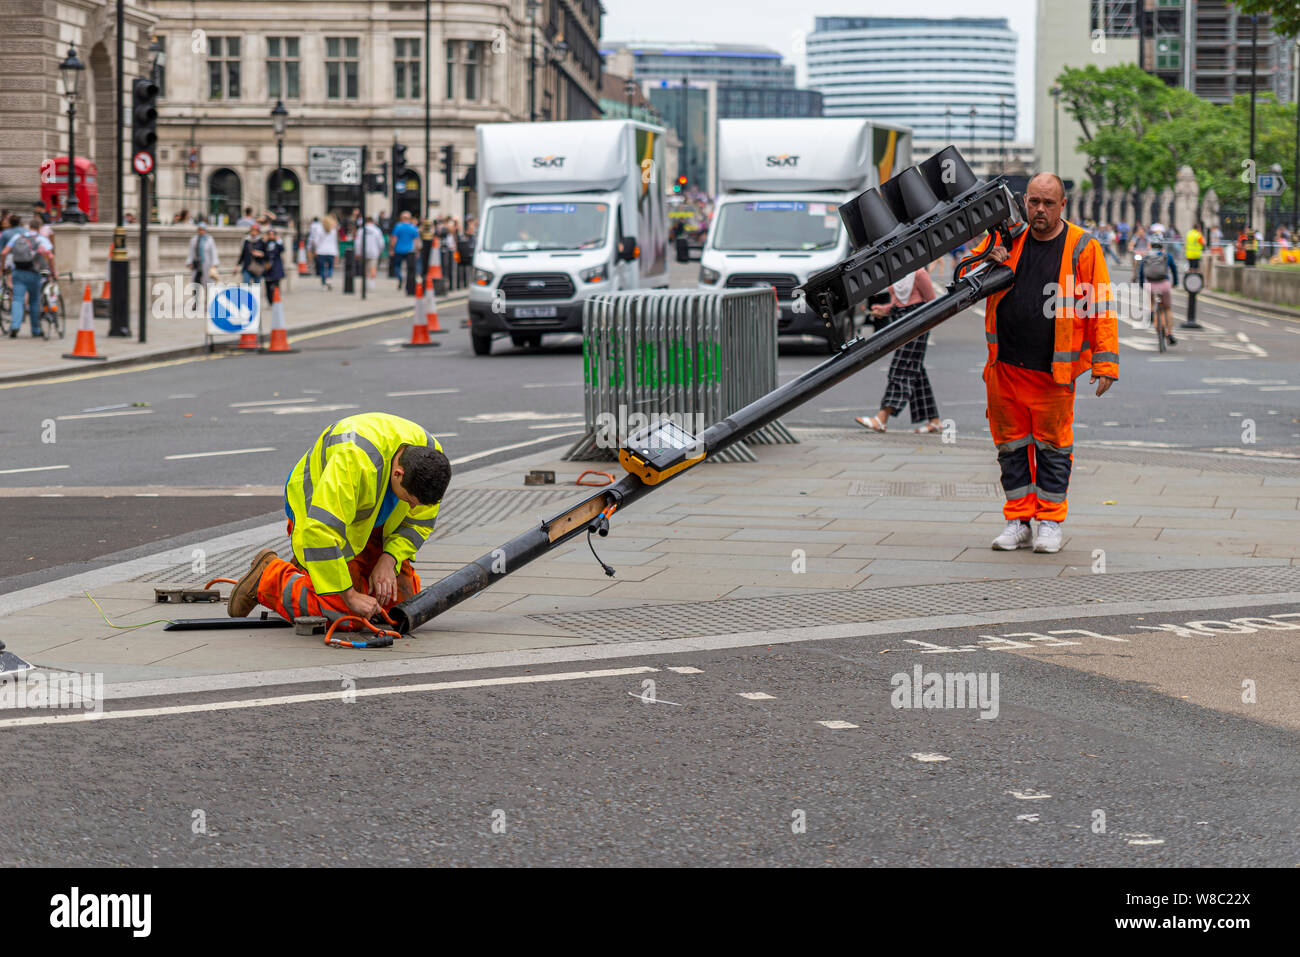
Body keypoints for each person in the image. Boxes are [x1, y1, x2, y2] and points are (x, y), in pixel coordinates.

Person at [971, 172, 1118, 554]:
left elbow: (1100, 306)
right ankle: (1018, 520)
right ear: (1024, 201)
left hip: (1054, 373)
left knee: (1053, 449)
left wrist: (1105, 363)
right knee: (1011, 448)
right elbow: (966, 275)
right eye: (1033, 201)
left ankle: (1050, 522)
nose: (1039, 210)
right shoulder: (1007, 237)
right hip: (1004, 368)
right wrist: (988, 257)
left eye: (1048, 203)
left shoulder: (1082, 247)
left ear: (1062, 205)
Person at [225, 412, 452, 629]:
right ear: (399, 474)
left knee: (400, 606)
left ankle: (311, 574)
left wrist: (389, 559)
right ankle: (268, 578)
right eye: (409, 500)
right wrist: (349, 595)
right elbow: (320, 532)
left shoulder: (429, 460)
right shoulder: (353, 461)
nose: (412, 508)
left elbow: (417, 525)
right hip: (320, 518)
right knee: (345, 616)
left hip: (367, 521)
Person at [854, 266, 943, 434]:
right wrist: (885, 309)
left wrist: (922, 329)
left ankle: (881, 418)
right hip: (899, 323)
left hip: (918, 323)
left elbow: (934, 304)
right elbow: (898, 304)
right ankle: (935, 421)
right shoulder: (895, 273)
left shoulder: (919, 274)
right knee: (915, 371)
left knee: (900, 368)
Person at [2, 218, 56, 338]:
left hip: (18, 272)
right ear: (39, 228)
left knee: (17, 299)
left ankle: (15, 326)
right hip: (34, 273)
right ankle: (36, 329)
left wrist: (3, 268)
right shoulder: (41, 239)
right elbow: (50, 256)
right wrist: (52, 271)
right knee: (34, 301)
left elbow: (4, 252)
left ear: (29, 227)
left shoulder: (17, 237)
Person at [1139, 238, 1177, 347]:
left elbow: (1141, 272)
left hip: (1150, 285)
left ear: (1150, 246)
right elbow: (1174, 269)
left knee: (1155, 307)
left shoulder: (1147, 257)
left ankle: (1152, 312)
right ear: (1162, 246)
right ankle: (1169, 333)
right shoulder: (1167, 256)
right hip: (1164, 284)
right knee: (1167, 309)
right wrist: (1175, 282)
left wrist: (1142, 284)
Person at [185, 223, 220, 313]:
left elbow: (214, 252)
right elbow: (191, 252)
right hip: (197, 266)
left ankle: (208, 304)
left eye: (203, 230)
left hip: (207, 266)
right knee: (196, 285)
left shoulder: (210, 240)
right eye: (199, 230)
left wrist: (214, 264)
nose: (201, 232)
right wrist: (189, 262)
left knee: (208, 286)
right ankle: (195, 303)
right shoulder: (194, 240)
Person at [390, 211, 420, 290]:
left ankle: (400, 277)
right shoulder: (413, 228)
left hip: (398, 249)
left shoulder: (398, 227)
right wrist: (417, 251)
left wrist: (392, 249)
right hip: (410, 251)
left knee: (397, 266)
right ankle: (408, 283)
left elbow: (394, 239)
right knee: (409, 268)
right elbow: (416, 241)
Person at [261, 225, 286, 297]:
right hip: (267, 266)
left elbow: (282, 249)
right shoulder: (265, 243)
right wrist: (264, 242)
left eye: (272, 234)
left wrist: (278, 241)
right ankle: (270, 300)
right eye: (269, 234)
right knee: (268, 284)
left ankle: (276, 299)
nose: (271, 236)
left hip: (276, 266)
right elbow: (263, 251)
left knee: (276, 284)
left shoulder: (277, 243)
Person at [316, 214, 339, 290]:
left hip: (321, 251)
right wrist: (336, 252)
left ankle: (324, 284)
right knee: (330, 267)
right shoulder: (333, 230)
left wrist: (316, 249)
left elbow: (316, 241)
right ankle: (328, 278)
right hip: (331, 251)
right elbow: (335, 242)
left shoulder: (319, 230)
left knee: (322, 268)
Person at [361, 216, 385, 290]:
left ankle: (365, 283)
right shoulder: (377, 230)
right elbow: (381, 242)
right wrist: (380, 250)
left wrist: (358, 252)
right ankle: (372, 283)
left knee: (365, 268)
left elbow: (358, 242)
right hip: (374, 251)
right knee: (373, 267)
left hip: (364, 251)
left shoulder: (361, 230)